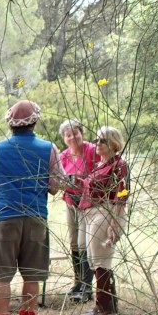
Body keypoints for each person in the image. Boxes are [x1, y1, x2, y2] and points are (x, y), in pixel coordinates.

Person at [0, 99, 62, 315]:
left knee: (3, 277)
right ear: (34, 122)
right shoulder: (49, 149)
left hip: (6, 216)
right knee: (31, 276)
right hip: (36, 217)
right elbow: (55, 186)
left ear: (10, 124)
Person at [77, 126, 129, 315]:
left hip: (105, 211)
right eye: (97, 140)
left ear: (113, 144)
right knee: (93, 259)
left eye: (102, 141)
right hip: (90, 212)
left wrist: (114, 223)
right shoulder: (101, 164)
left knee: (101, 260)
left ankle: (103, 307)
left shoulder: (119, 165)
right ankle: (109, 304)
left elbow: (122, 194)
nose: (97, 144)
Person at [59, 119, 97, 302]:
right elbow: (58, 178)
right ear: (64, 138)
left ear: (82, 133)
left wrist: (84, 181)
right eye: (68, 135)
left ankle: (87, 287)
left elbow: (101, 172)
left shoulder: (91, 150)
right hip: (70, 200)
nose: (72, 137)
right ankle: (78, 282)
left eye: (75, 133)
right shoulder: (64, 155)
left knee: (83, 243)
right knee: (74, 242)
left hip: (88, 202)